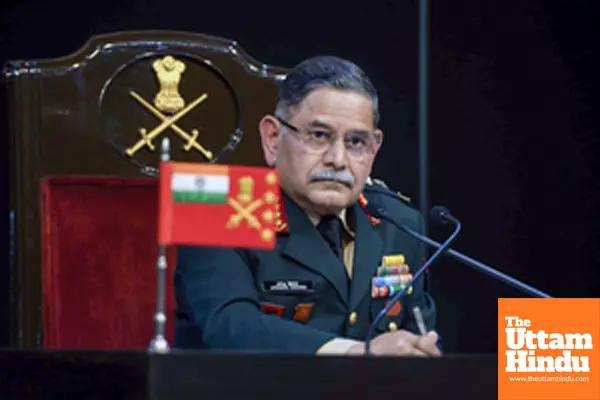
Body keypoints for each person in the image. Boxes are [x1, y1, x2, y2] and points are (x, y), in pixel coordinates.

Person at [173, 55, 441, 356]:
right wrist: (355, 353)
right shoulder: (220, 209)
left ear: (374, 148)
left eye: (356, 142)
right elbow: (232, 327)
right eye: (318, 136)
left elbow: (421, 338)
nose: (337, 159)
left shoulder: (398, 222)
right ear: (273, 138)